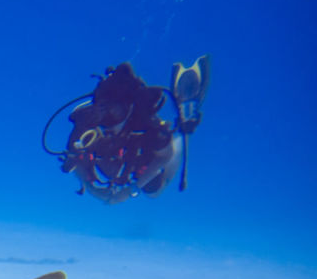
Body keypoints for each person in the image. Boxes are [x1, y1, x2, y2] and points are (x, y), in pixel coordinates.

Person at [44, 56, 210, 204]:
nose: (108, 122)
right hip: (116, 159)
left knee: (154, 191)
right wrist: (91, 187)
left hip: (140, 153)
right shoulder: (86, 122)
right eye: (103, 111)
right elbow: (74, 158)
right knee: (106, 166)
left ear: (129, 109)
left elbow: (163, 156)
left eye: (116, 112)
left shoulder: (149, 127)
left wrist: (131, 190)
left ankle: (183, 129)